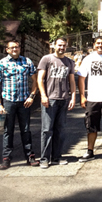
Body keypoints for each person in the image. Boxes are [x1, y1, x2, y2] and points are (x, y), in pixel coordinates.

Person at [0, 40, 40, 170]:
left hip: (24, 102)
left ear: (20, 48)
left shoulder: (27, 62)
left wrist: (32, 96)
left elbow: (35, 80)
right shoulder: (1, 64)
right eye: (12, 47)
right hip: (8, 101)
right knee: (8, 130)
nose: (15, 49)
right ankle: (6, 158)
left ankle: (30, 156)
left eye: (17, 47)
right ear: (7, 49)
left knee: (26, 130)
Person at [37, 38, 76, 169]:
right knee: (47, 130)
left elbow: (71, 81)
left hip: (63, 99)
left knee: (60, 130)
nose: (61, 47)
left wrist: (73, 97)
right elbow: (40, 79)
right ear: (54, 45)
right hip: (50, 99)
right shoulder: (46, 59)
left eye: (64, 45)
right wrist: (43, 95)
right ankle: (44, 158)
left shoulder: (69, 62)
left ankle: (56, 157)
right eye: (59, 45)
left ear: (67, 46)